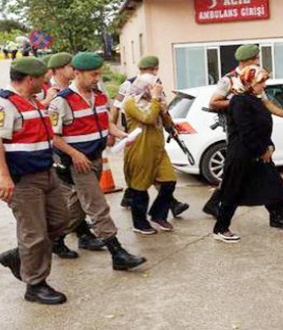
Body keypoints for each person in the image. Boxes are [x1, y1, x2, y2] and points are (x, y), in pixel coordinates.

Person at [49, 52, 146, 270]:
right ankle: (117, 252)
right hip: (78, 162)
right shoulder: (61, 101)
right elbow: (53, 136)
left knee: (77, 208)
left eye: (99, 74)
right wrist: (75, 154)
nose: (97, 78)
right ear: (77, 73)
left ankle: (54, 239)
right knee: (97, 205)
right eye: (93, 75)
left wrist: (121, 135)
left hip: (95, 158)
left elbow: (106, 124)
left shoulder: (100, 96)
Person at [0, 58, 69, 304]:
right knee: (34, 234)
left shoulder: (32, 100)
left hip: (46, 172)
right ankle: (35, 285)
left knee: (61, 220)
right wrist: (2, 176)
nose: (46, 82)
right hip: (22, 179)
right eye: (43, 78)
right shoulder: (1, 104)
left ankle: (20, 255)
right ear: (30, 79)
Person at [213, 65, 283, 243]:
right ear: (249, 82)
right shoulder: (239, 101)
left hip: (257, 154)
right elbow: (246, 131)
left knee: (274, 190)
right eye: (261, 82)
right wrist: (262, 149)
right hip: (242, 155)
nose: (264, 86)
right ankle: (220, 229)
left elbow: (261, 128)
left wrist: (268, 146)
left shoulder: (253, 99)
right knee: (231, 193)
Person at [202, 44, 283, 227]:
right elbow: (213, 102)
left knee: (256, 175)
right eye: (256, 57)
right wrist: (240, 101)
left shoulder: (255, 77)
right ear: (249, 59)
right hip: (240, 133)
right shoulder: (229, 80)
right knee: (241, 175)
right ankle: (221, 217)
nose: (259, 60)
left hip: (254, 135)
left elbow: (266, 103)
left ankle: (280, 217)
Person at [113, 56, 189, 218]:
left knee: (157, 174)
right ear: (155, 68)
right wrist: (112, 131)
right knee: (143, 175)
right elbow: (117, 107)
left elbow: (162, 108)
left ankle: (161, 203)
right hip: (135, 134)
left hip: (153, 133)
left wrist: (170, 128)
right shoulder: (129, 84)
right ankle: (144, 203)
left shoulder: (155, 83)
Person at [121, 74, 179, 234]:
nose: (156, 89)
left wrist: (164, 109)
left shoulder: (155, 102)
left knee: (169, 182)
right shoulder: (130, 102)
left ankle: (158, 215)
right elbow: (148, 117)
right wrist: (155, 99)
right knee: (139, 189)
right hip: (140, 150)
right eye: (153, 86)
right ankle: (139, 223)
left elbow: (165, 121)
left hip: (158, 151)